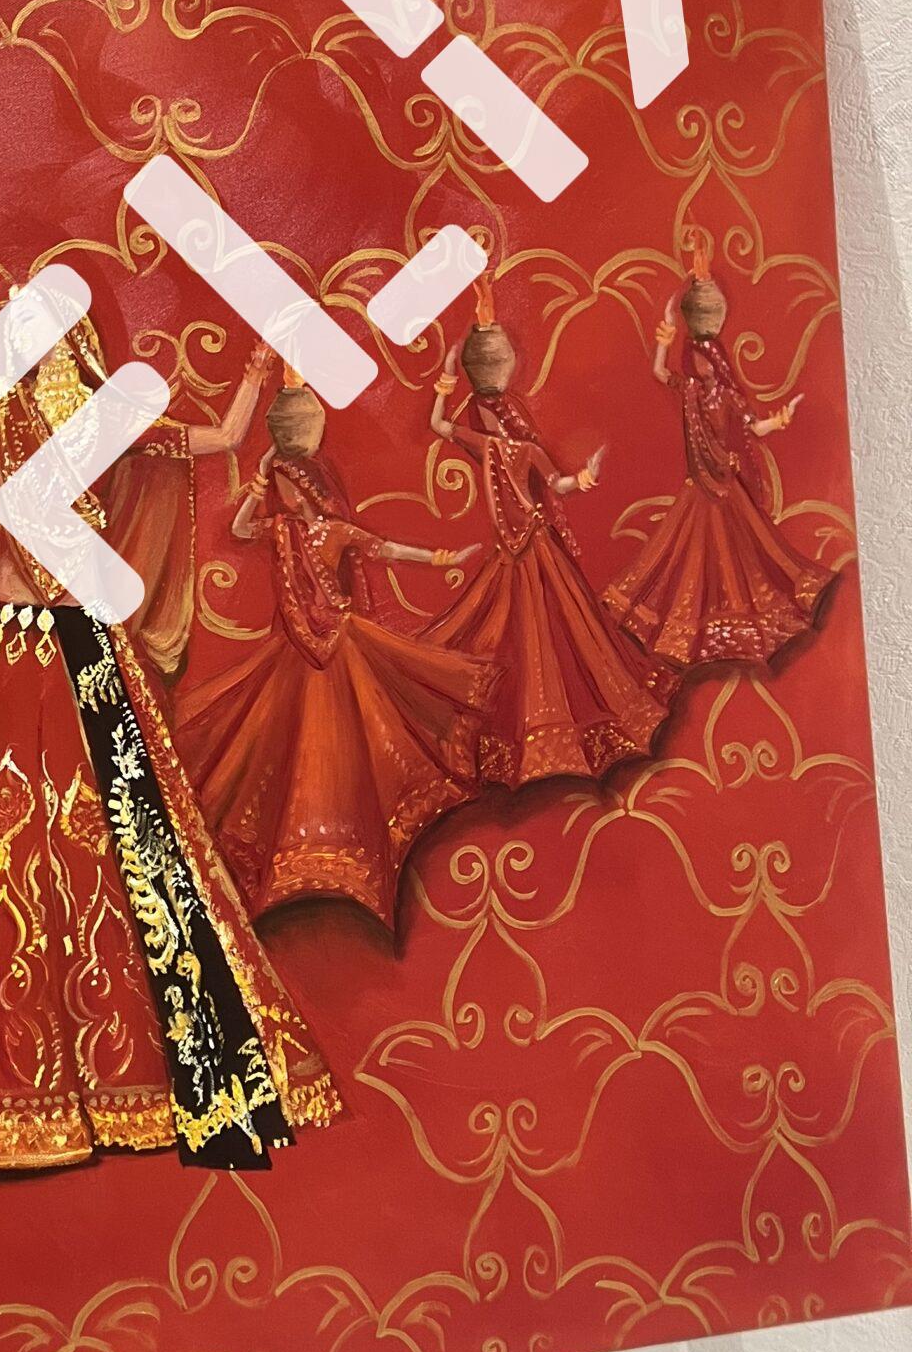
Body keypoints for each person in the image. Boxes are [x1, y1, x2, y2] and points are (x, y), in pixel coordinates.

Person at [0, 232, 342, 1174]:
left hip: (74, 632)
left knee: (115, 832)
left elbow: (216, 440)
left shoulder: (95, 409)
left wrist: (256, 372)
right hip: (13, 630)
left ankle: (109, 1060)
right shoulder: (9, 394)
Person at [178, 363, 490, 933]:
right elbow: (240, 530)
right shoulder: (282, 531)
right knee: (294, 752)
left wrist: (440, 558)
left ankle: (357, 845)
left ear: (308, 488)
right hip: (298, 654)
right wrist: (261, 476)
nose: (285, 494)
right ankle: (302, 855)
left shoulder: (330, 532)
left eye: (290, 485)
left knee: (354, 744)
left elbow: (387, 549)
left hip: (339, 648)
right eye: (282, 485)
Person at [426, 279, 670, 788]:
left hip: (525, 546)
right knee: (537, 637)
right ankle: (541, 737)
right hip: (529, 547)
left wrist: (447, 378)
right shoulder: (509, 444)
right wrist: (583, 478)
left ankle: (545, 736)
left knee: (542, 637)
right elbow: (553, 480)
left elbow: (440, 425)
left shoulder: (499, 440)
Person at [605, 230, 832, 666]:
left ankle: (740, 631)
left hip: (726, 489)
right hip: (700, 488)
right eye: (696, 356)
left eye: (706, 357)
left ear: (718, 360)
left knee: (742, 564)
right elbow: (659, 373)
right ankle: (684, 635)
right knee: (686, 563)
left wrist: (780, 419)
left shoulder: (726, 396)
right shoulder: (689, 390)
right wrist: (664, 340)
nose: (701, 363)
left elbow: (754, 427)